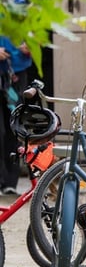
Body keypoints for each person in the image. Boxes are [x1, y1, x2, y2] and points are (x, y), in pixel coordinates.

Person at [0, 36, 32, 196]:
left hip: (16, 75)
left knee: (14, 128)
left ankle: (10, 182)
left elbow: (36, 37)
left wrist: (30, 46)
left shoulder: (24, 11)